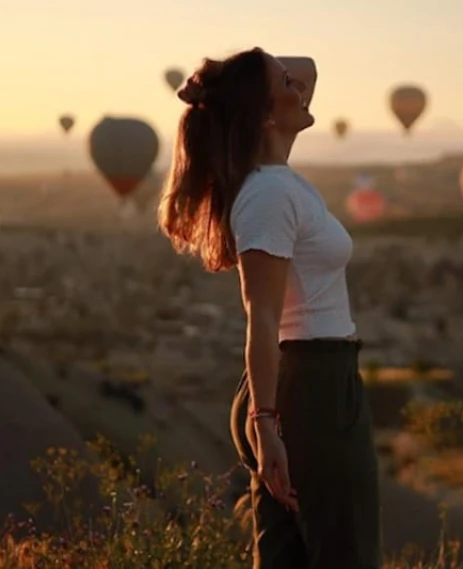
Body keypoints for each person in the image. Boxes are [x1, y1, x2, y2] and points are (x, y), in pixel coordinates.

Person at [158, 47, 381, 569]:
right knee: (346, 555)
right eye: (285, 83)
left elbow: (306, 65)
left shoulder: (279, 181)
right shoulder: (270, 195)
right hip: (310, 391)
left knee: (285, 558)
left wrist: (218, 82)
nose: (301, 86)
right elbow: (260, 314)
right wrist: (265, 422)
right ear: (263, 111)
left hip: (299, 391)